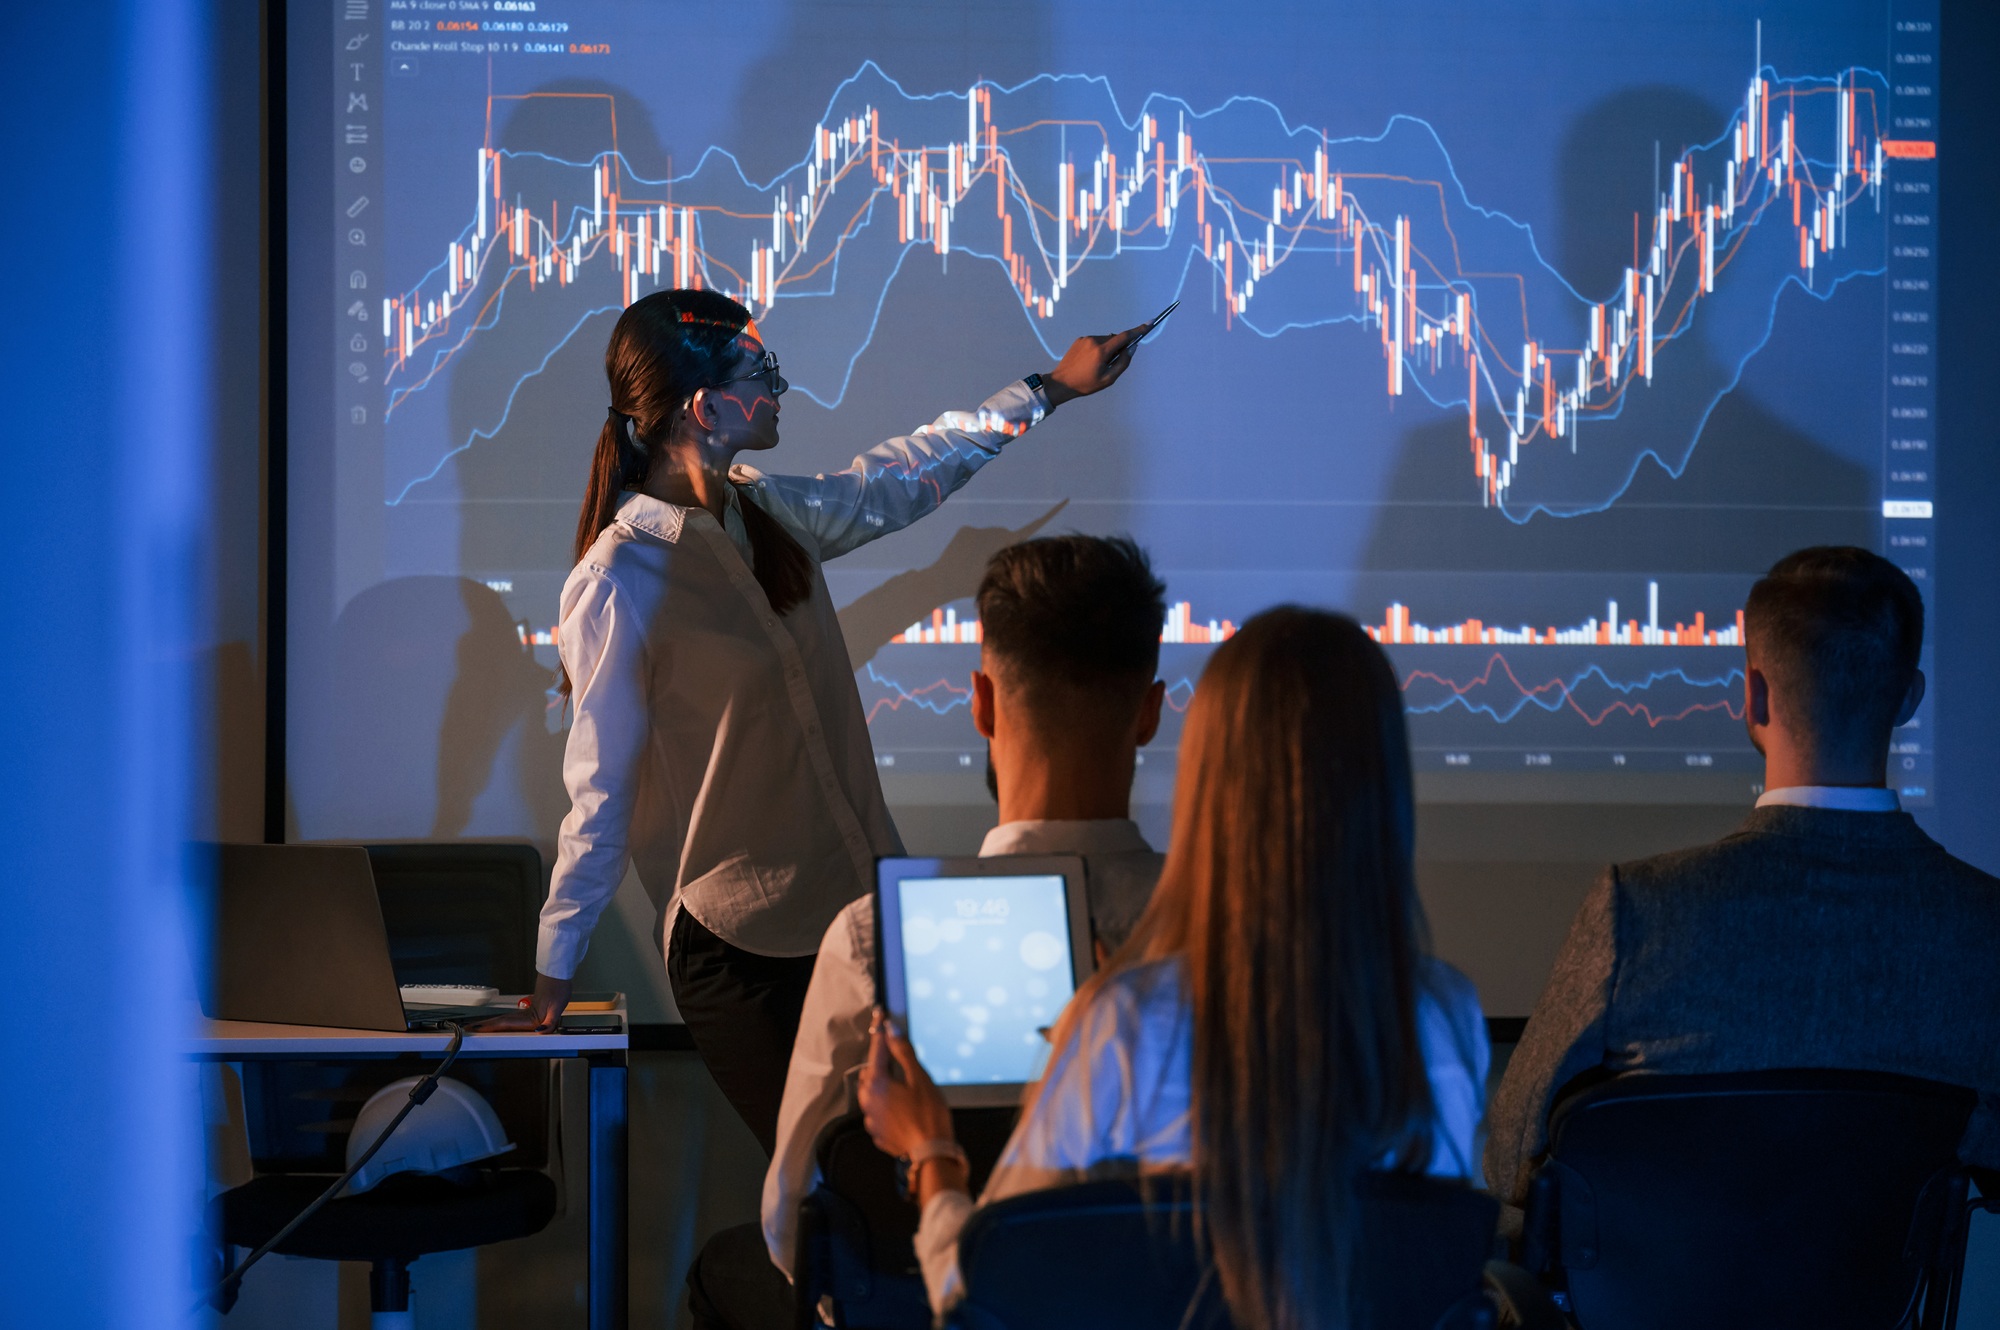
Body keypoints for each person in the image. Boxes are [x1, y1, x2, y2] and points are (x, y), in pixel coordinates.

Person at [482, 289, 1150, 1161]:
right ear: (706, 406)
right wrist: (554, 966)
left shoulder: (765, 513)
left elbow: (898, 479)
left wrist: (1048, 388)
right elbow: (599, 793)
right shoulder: (621, 578)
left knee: (924, 1174)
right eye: (761, 372)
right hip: (738, 946)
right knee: (833, 1192)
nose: (780, 387)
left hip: (859, 912)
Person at [860, 607, 1491, 1325]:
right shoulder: (1448, 1016)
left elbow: (980, 1301)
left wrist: (933, 1150)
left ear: (1208, 783)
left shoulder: (1127, 1025)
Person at [682, 534, 1172, 1328]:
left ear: (980, 703)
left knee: (729, 1270)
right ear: (1149, 712)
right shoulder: (1236, 931)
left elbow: (793, 1229)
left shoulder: (877, 937)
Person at [1484, 546, 2000, 1206]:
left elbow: (1510, 1155)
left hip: (1656, 1306)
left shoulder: (1638, 910)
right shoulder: (1984, 928)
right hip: (1876, 1306)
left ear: (1753, 695)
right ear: (1908, 699)